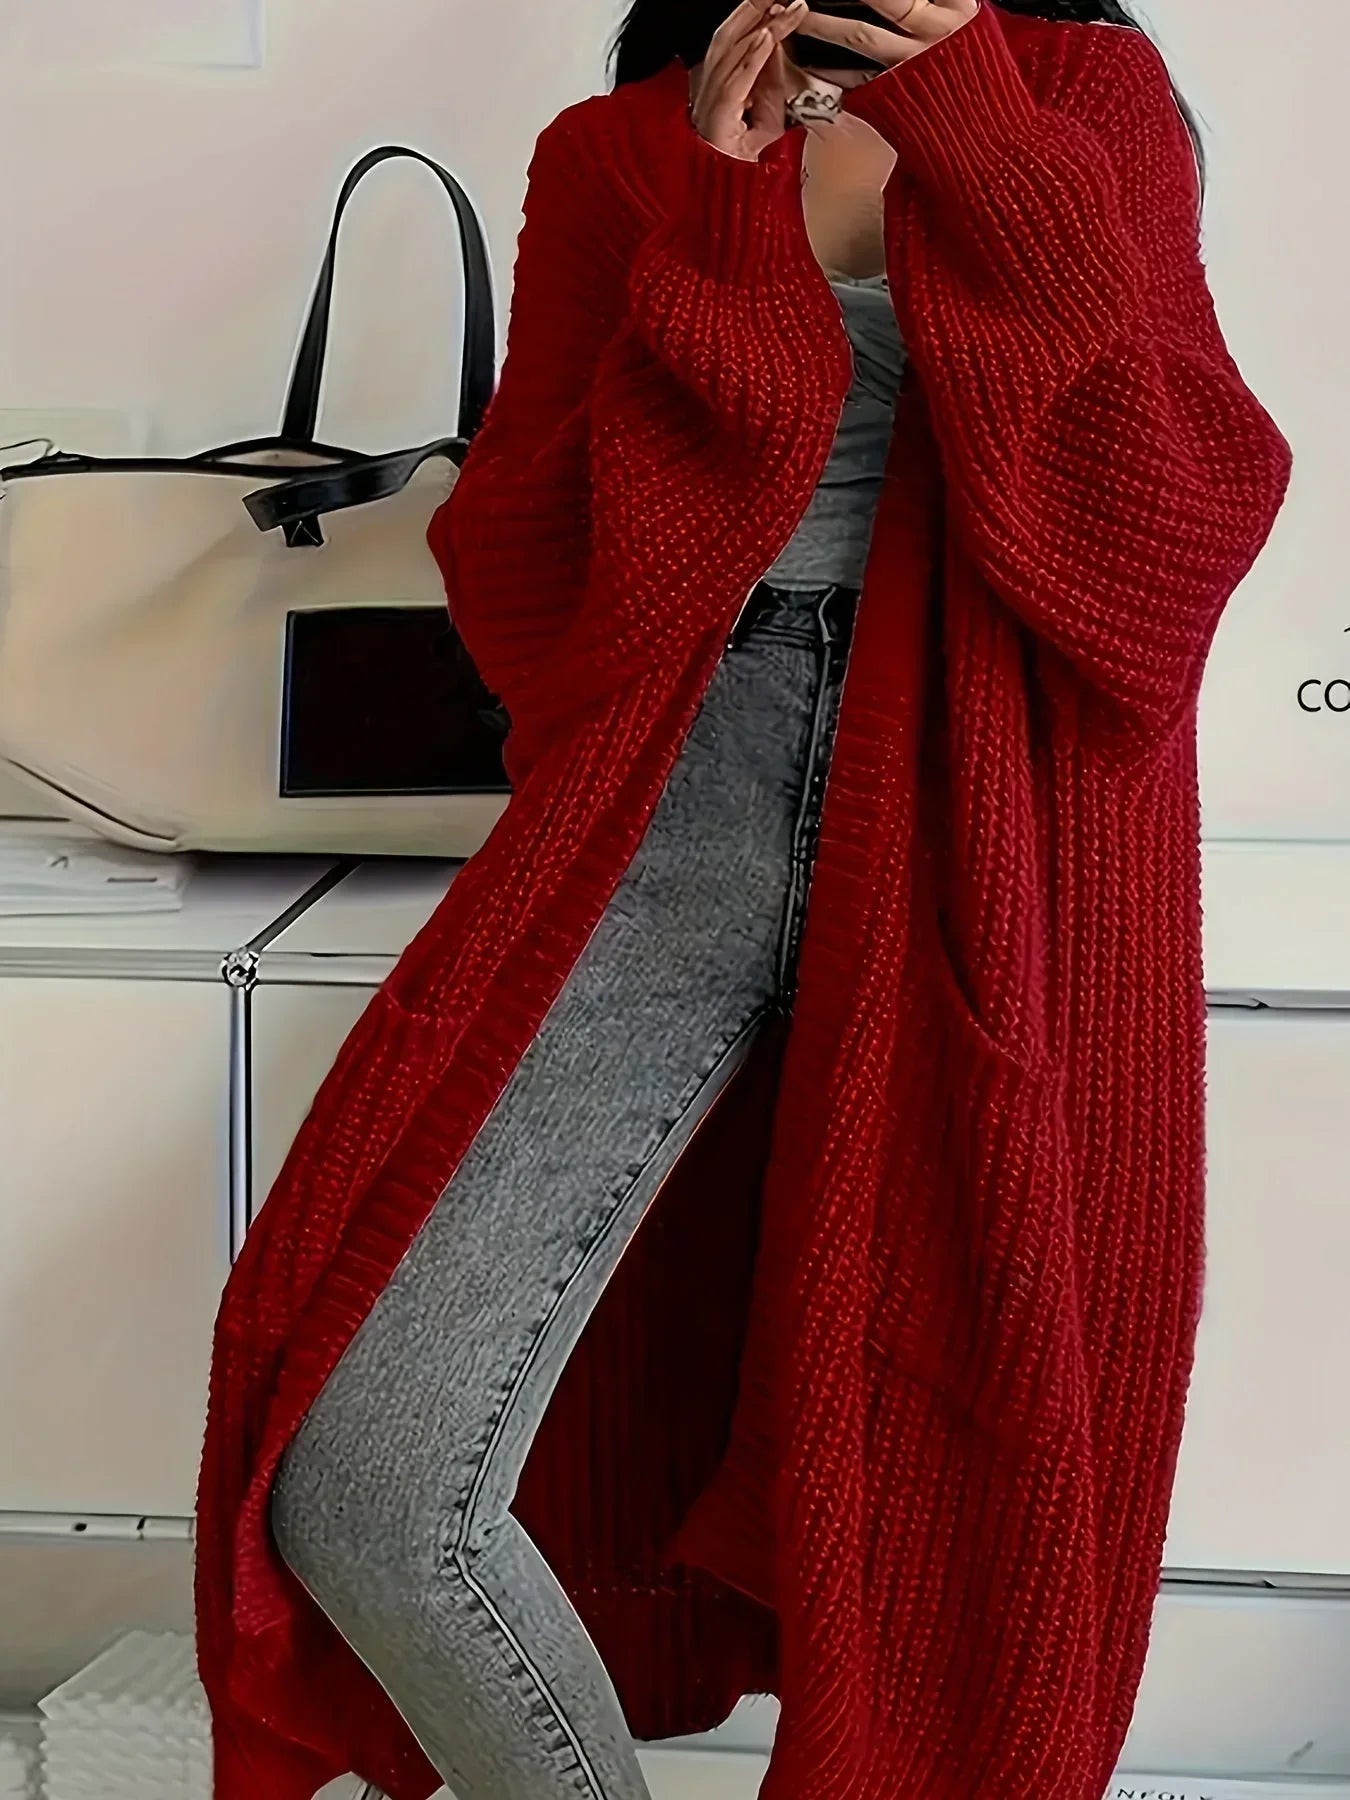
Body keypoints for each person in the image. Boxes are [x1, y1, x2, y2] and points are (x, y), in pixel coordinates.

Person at [195, 4, 1294, 1798]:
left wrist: (979, 140)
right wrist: (713, 238)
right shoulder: (616, 151)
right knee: (361, 1482)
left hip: (989, 834)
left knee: (953, 1506)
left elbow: (1158, 552)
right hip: (664, 809)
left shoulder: (1074, 96)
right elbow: (532, 591)